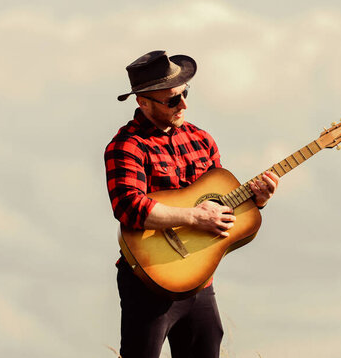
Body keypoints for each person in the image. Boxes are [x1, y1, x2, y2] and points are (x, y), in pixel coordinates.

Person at [104, 50, 279, 358]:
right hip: (147, 282)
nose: (183, 104)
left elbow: (220, 209)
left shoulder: (202, 139)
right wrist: (194, 217)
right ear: (143, 102)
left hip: (199, 282)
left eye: (185, 94)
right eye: (172, 100)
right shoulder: (126, 146)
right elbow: (129, 207)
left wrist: (256, 202)